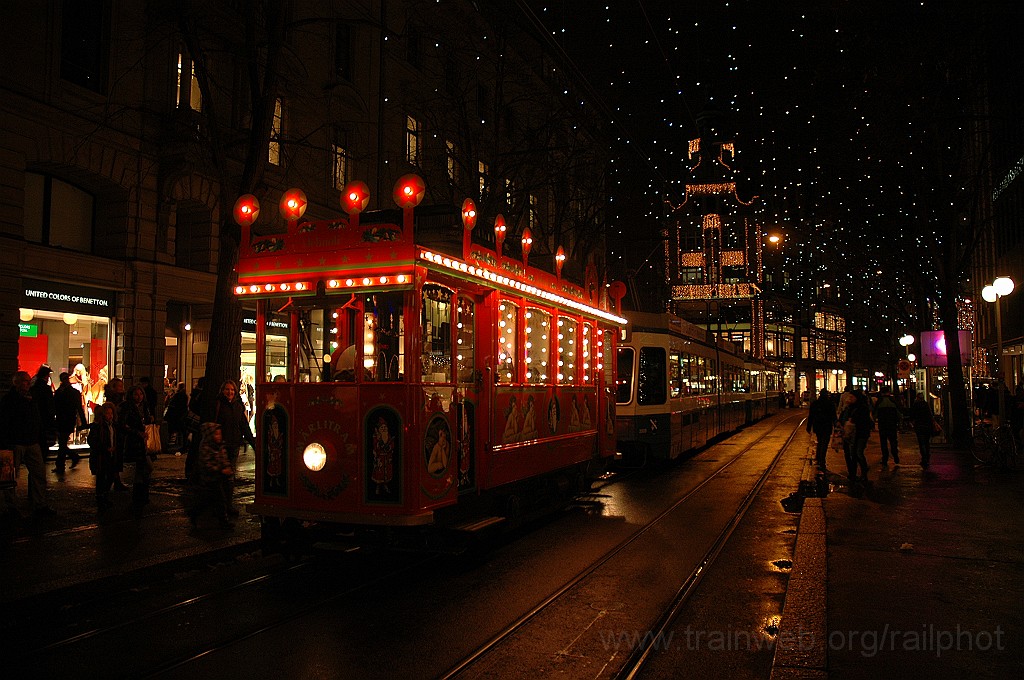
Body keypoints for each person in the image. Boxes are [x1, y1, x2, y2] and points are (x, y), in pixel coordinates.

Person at [0, 371, 55, 519]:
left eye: (28, 381)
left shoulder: (31, 398)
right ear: (16, 383)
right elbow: (6, 421)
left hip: (31, 440)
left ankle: (40, 504)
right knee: (10, 476)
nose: (27, 383)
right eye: (24, 381)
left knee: (38, 473)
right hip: (16, 442)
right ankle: (10, 506)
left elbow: (37, 419)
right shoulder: (11, 400)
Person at [207, 380, 255, 517]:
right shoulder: (218, 404)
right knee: (223, 477)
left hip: (233, 445)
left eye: (232, 390)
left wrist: (252, 443)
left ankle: (226, 505)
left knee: (229, 477)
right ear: (222, 391)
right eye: (227, 390)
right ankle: (222, 507)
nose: (230, 392)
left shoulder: (238, 405)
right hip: (220, 447)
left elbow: (244, 426)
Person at [187, 422, 234, 529]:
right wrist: (221, 470)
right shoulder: (206, 447)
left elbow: (224, 459)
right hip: (209, 479)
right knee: (208, 501)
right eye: (216, 434)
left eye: (220, 434)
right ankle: (195, 513)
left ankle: (223, 521)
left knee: (219, 500)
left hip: (217, 479)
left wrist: (227, 468)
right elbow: (206, 464)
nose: (219, 436)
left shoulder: (220, 446)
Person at [119, 385, 155, 507]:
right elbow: (123, 424)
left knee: (144, 468)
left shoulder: (144, 407)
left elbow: (146, 421)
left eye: (140, 394)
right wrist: (137, 432)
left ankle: (141, 495)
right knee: (143, 467)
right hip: (134, 441)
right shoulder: (127, 407)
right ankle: (140, 495)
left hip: (144, 441)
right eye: (136, 394)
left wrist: (150, 420)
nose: (139, 397)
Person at [53, 371, 88, 473]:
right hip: (65, 420)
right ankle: (69, 460)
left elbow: (78, 408)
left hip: (65, 420)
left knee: (62, 442)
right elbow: (79, 409)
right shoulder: (65, 392)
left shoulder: (63, 392)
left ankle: (63, 463)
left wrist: (83, 422)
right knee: (62, 443)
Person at [87, 403, 117, 510]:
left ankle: (104, 495)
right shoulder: (98, 426)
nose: (110, 415)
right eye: (107, 413)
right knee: (101, 477)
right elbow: (92, 440)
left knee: (110, 476)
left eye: (111, 413)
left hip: (110, 455)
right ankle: (101, 497)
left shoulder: (112, 425)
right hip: (101, 456)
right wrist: (105, 448)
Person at [29, 365, 56, 459]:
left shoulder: (33, 387)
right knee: (43, 445)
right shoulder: (45, 388)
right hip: (44, 420)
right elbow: (49, 406)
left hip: (35, 419)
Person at [846, 390, 873, 484]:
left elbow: (863, 421)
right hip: (855, 434)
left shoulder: (862, 408)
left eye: (852, 397)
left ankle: (864, 471)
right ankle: (859, 471)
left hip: (861, 433)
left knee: (858, 452)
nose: (850, 399)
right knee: (854, 453)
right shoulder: (851, 407)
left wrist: (853, 420)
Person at [806, 388, 837, 470]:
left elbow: (811, 416)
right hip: (827, 425)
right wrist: (835, 424)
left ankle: (819, 457)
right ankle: (822, 458)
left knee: (820, 441)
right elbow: (833, 416)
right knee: (825, 442)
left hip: (818, 425)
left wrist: (809, 426)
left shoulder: (815, 403)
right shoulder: (830, 404)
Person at [874, 385, 901, 466]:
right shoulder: (893, 401)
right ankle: (895, 455)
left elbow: (875, 414)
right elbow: (899, 413)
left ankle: (885, 458)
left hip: (882, 425)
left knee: (883, 442)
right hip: (892, 424)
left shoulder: (879, 401)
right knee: (893, 441)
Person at [908, 391, 936, 468]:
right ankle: (927, 456)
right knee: (926, 442)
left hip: (919, 426)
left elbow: (912, 415)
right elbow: (930, 415)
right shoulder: (926, 405)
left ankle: (924, 458)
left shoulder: (915, 405)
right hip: (927, 426)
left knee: (921, 443)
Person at [163, 382, 189, 450]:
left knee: (172, 429)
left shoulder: (177, 395)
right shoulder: (184, 395)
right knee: (181, 430)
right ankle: (181, 444)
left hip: (175, 415)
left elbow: (171, 404)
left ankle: (169, 443)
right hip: (180, 415)